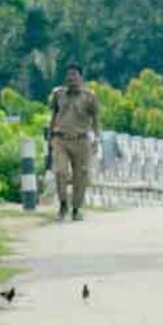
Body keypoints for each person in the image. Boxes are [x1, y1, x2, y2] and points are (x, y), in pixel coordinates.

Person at [48, 62, 100, 222]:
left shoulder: (89, 97)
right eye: (69, 75)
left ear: (81, 78)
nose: (71, 79)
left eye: (75, 75)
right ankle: (63, 203)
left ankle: (77, 208)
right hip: (61, 139)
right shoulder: (58, 94)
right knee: (60, 171)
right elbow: (54, 115)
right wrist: (50, 137)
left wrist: (96, 138)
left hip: (81, 140)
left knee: (81, 175)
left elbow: (95, 119)